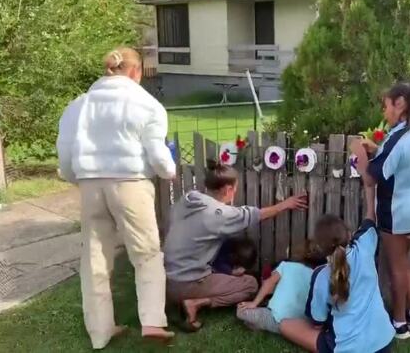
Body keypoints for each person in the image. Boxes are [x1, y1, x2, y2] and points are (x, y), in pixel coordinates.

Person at [56, 47, 176, 349]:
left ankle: (100, 331)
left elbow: (66, 151)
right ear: (137, 71)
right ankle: (151, 321)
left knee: (94, 258)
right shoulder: (147, 104)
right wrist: (169, 172)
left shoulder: (79, 105)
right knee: (146, 253)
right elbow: (159, 156)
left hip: (90, 185)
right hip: (131, 183)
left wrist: (78, 179)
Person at [163, 161, 307, 331]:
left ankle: (181, 300)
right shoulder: (217, 214)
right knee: (251, 285)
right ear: (228, 190)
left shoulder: (188, 199)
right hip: (186, 283)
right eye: (235, 189)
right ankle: (195, 303)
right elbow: (256, 215)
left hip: (165, 280)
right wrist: (286, 204)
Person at [350, 80, 410, 339]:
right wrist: (378, 149)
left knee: (396, 267)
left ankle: (399, 323)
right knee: (403, 262)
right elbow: (398, 160)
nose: (384, 112)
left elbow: (372, 177)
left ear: (400, 104)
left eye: (386, 106)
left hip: (396, 213)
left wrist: (359, 153)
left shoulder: (398, 138)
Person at [279, 202, 395, 352]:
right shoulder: (365, 247)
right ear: (349, 234)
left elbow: (317, 321)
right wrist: (369, 188)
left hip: (348, 348)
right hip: (383, 342)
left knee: (285, 325)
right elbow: (370, 219)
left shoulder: (321, 276)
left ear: (320, 247)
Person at [236, 242, 325, 334]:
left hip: (276, 319)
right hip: (299, 324)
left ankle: (261, 324)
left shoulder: (286, 266)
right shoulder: (317, 275)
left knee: (241, 310)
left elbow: (268, 284)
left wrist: (254, 303)